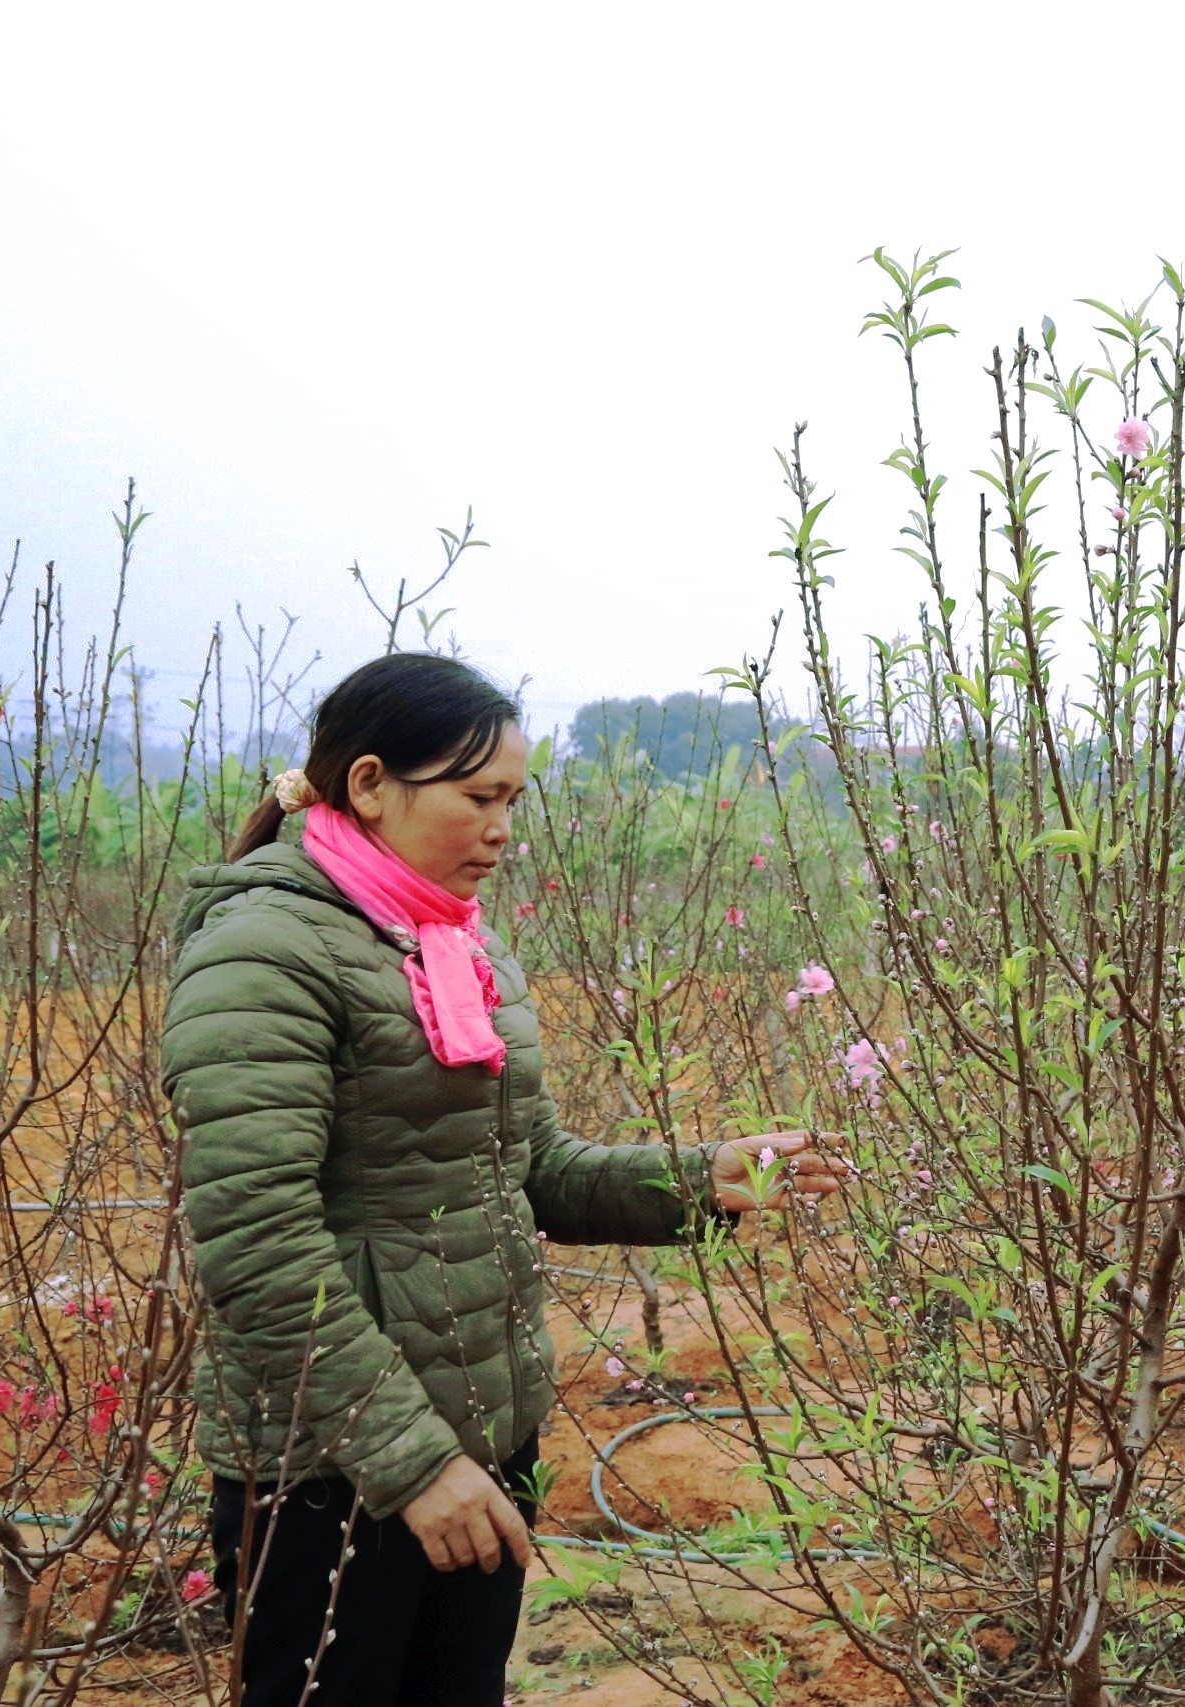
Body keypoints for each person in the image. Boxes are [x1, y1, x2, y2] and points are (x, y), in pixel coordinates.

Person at [162, 652, 847, 1705]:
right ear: (372, 783)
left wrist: (701, 1180)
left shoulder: (452, 949)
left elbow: (531, 1170)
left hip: (480, 1434)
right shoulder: (265, 949)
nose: (501, 828)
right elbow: (255, 1237)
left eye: (513, 801)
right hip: (334, 1467)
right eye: (479, 797)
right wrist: (411, 1462)